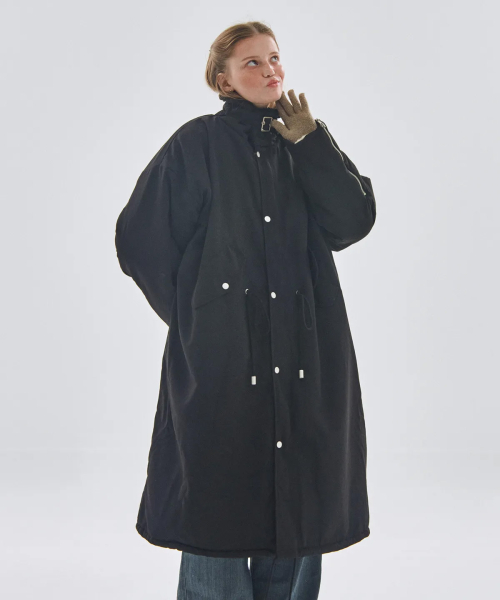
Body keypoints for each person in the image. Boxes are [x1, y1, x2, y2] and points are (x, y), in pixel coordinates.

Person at [115, 21, 376, 600]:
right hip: (223, 361)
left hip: (306, 358)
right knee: (218, 511)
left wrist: (312, 145)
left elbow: (352, 222)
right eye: (252, 62)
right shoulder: (197, 144)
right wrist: (198, 316)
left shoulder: (304, 142)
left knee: (299, 511)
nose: (269, 70)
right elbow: (139, 239)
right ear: (223, 79)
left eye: (274, 58)